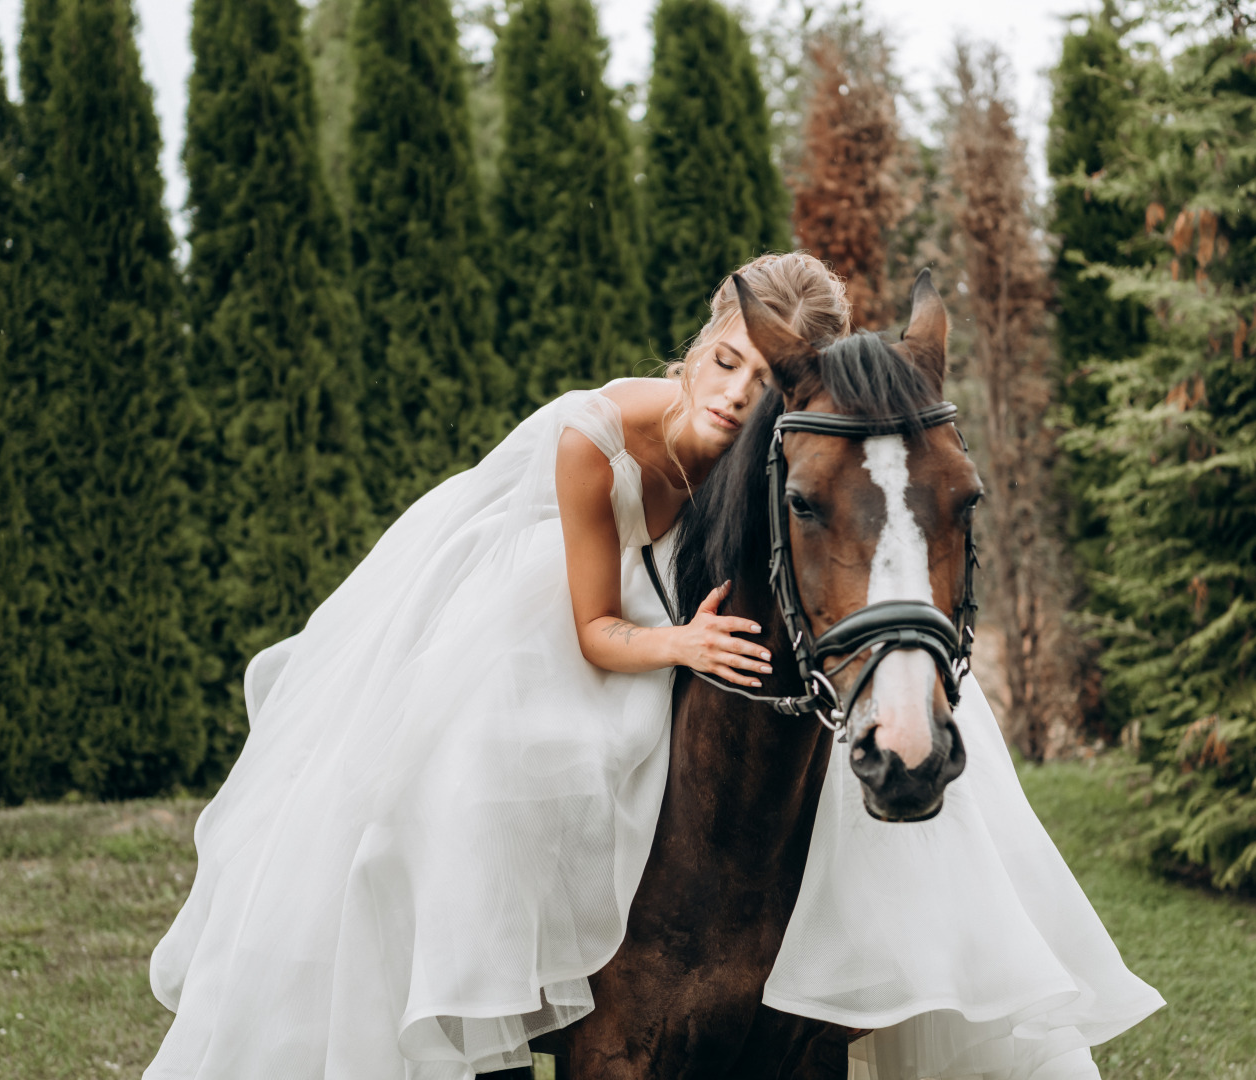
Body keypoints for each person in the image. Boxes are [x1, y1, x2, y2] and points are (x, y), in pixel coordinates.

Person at [144, 252, 1163, 1080]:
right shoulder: (601, 435)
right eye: (723, 362)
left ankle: (904, 962)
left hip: (705, 590)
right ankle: (487, 986)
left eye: (762, 381)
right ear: (698, 348)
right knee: (504, 754)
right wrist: (676, 645)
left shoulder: (787, 436)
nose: (735, 394)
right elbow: (593, 622)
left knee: (926, 705)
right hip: (570, 597)